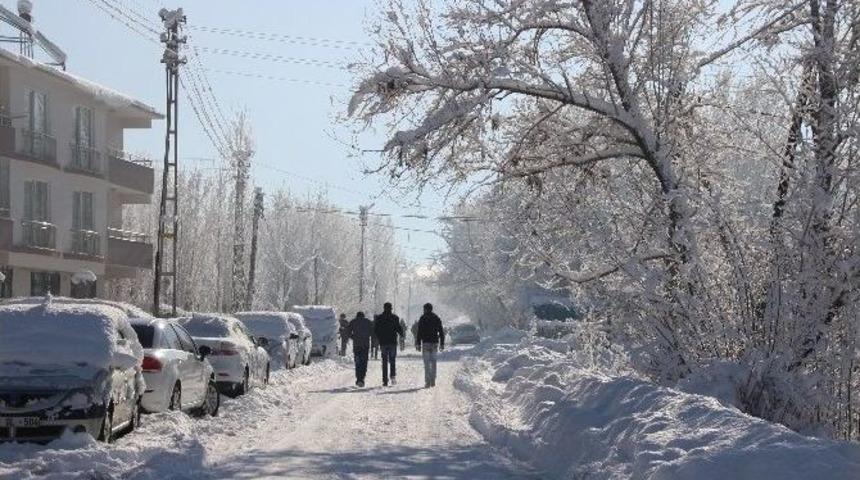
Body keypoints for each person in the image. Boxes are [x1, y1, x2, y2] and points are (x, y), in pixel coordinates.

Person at [374, 302, 404, 386]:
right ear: (391, 309)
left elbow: (376, 330)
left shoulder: (379, 318)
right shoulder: (395, 318)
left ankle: (384, 380)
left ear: (384, 308)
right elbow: (398, 328)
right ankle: (393, 376)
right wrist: (402, 335)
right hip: (392, 342)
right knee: (392, 360)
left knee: (384, 361)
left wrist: (379, 338)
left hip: (383, 342)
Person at [415, 303, 445, 388]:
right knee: (434, 362)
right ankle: (433, 380)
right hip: (435, 343)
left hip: (426, 343)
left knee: (427, 363)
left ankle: (427, 381)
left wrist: (418, 343)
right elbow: (441, 332)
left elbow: (419, 332)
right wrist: (442, 343)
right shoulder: (436, 318)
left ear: (425, 309)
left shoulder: (422, 318)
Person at [347, 311, 373, 387]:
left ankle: (358, 379)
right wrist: (367, 336)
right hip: (365, 345)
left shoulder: (353, 322)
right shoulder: (368, 322)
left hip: (357, 345)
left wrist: (353, 337)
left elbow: (348, 332)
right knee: (364, 362)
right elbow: (373, 332)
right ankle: (362, 379)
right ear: (363, 316)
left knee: (357, 362)